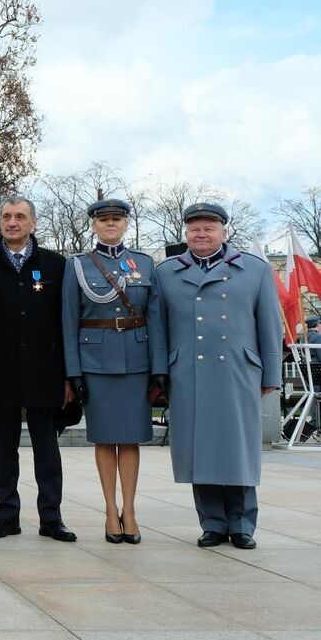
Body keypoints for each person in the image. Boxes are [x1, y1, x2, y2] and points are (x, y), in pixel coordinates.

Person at [155, 202, 282, 549]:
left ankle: (242, 525)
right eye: (194, 227)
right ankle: (211, 523)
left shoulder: (254, 269)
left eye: (209, 227)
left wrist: (272, 372)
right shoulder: (166, 272)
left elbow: (270, 323)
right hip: (188, 371)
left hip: (238, 370)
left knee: (237, 448)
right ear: (186, 232)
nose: (201, 233)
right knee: (201, 448)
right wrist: (159, 373)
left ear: (224, 231)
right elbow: (158, 328)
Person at [0, 195, 77, 542]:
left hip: (44, 371)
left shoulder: (56, 266)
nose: (12, 222)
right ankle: (7, 515)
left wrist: (67, 375)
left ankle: (51, 517)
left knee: (46, 449)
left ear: (33, 223)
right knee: (4, 449)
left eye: (20, 217)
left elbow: (65, 324)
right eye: (6, 216)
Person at [61, 199, 166, 545]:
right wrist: (73, 371)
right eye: (103, 220)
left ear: (126, 224)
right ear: (93, 224)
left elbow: (157, 320)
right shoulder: (77, 265)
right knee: (105, 438)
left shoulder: (146, 264)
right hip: (96, 363)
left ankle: (131, 510)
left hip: (137, 361)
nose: (110, 225)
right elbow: (68, 321)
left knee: (131, 438)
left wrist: (159, 368)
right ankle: (110, 510)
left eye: (116, 220)